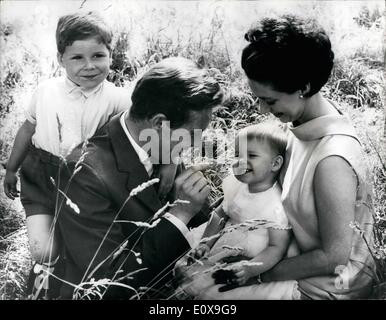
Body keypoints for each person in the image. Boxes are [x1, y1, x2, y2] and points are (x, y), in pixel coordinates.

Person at [204, 14, 375, 300]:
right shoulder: (305, 120)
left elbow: (334, 257)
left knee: (209, 299)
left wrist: (256, 274)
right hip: (286, 248)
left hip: (326, 285)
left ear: (304, 88)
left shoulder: (332, 160)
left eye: (269, 101)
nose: (261, 110)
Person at [56, 57, 223, 299]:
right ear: (159, 123)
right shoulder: (84, 172)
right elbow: (109, 282)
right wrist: (180, 215)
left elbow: (201, 225)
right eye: (193, 134)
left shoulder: (161, 145)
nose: (197, 143)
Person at [2, 11, 132, 299]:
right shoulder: (46, 91)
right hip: (42, 176)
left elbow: (136, 140)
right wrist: (12, 169)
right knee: (44, 249)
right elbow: (27, 129)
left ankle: (70, 289)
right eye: (77, 58)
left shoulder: (119, 99)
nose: (89, 66)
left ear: (111, 54)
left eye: (99, 55)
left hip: (88, 187)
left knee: (80, 252)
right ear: (61, 58)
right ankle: (39, 290)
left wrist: (167, 161)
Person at [175, 122, 301, 299]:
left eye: (251, 155)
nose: (241, 161)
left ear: (275, 164)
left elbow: (276, 247)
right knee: (183, 266)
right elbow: (219, 214)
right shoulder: (236, 185)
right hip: (223, 242)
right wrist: (206, 243)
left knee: (216, 290)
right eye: (237, 154)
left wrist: (250, 269)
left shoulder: (275, 203)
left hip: (251, 256)